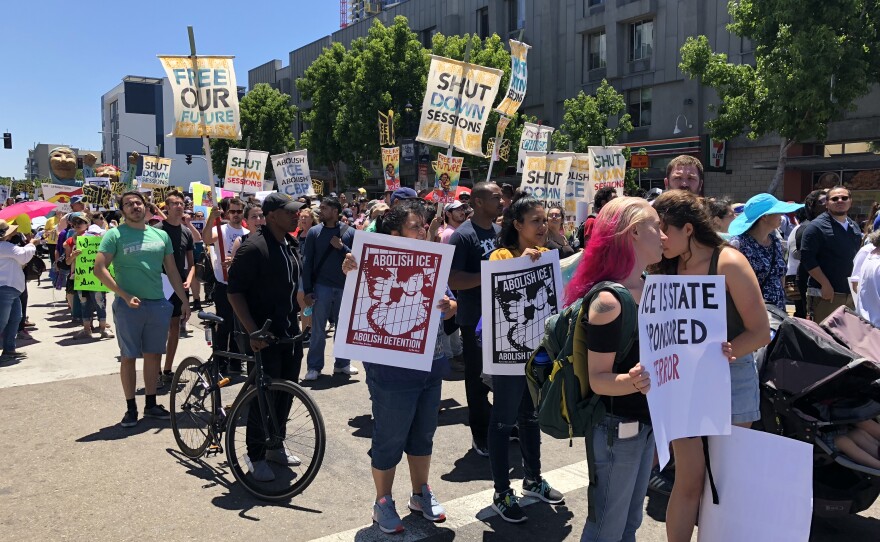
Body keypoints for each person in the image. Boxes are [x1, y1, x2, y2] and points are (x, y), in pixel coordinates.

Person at [649, 190, 770, 542]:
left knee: (724, 484)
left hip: (731, 381)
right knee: (689, 481)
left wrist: (725, 353)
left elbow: (760, 332)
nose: (658, 237)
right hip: (683, 383)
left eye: (663, 229)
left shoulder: (728, 262)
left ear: (688, 229)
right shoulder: (662, 267)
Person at [341, 200, 455, 534]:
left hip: (430, 365)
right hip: (391, 370)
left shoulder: (433, 262)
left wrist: (450, 305)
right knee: (389, 436)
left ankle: (420, 493)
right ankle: (383, 502)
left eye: (423, 225)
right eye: (415, 225)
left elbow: (449, 303)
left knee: (423, 435)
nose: (424, 230)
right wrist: (351, 269)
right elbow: (357, 299)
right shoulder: (368, 261)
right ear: (394, 232)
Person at [563, 197, 665, 541]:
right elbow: (599, 380)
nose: (664, 236)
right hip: (617, 426)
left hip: (646, 423)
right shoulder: (608, 301)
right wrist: (634, 380)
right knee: (607, 525)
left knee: (629, 523)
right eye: (657, 227)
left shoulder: (652, 286)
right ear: (635, 232)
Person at [485, 196, 565, 523]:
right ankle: (501, 491)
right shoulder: (501, 255)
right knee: (504, 422)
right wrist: (520, 264)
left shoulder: (548, 256)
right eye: (536, 220)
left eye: (545, 220)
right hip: (507, 358)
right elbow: (495, 279)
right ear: (517, 225)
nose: (543, 226)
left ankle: (533, 478)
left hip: (537, 357)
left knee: (531, 418)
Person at [226, 193, 306, 482]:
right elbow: (233, 292)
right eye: (291, 212)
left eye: (298, 211)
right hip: (262, 335)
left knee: (285, 393)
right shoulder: (253, 248)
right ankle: (256, 454)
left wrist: (305, 308)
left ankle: (276, 444)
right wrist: (252, 331)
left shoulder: (291, 244)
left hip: (289, 334)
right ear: (272, 215)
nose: (297, 215)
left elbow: (294, 289)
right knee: (263, 398)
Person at [94, 191, 189, 428]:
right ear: (122, 209)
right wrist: (123, 295)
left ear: (145, 206)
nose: (134, 206)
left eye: (138, 202)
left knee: (154, 355)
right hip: (128, 306)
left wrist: (184, 299)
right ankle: (130, 408)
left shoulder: (160, 235)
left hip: (158, 303)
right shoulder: (114, 235)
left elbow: (173, 271)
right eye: (129, 204)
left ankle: (150, 404)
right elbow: (99, 268)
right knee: (128, 357)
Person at [448, 182, 504, 456]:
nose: (502, 201)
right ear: (479, 202)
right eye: (495, 198)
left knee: (503, 377)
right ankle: (480, 434)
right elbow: (453, 278)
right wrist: (489, 275)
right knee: (477, 379)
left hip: (502, 317)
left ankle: (504, 425)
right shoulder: (462, 236)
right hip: (474, 321)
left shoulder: (501, 232)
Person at [301, 196, 358, 380]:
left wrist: (342, 248)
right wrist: (308, 290)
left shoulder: (349, 232)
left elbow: (357, 258)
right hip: (321, 287)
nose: (321, 211)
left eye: (325, 208)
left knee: (343, 328)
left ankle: (343, 364)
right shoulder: (314, 232)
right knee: (318, 329)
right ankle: (314, 367)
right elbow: (307, 262)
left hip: (344, 287)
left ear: (335, 211)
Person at [727, 194, 803, 310]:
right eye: (778, 212)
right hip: (751, 312)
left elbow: (780, 276)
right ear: (765, 217)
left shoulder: (775, 242)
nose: (782, 216)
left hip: (777, 312)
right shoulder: (738, 244)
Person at [801, 185, 862, 322]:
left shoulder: (854, 226)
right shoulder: (815, 227)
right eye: (835, 198)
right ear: (827, 203)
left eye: (844, 198)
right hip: (827, 295)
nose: (840, 201)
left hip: (850, 295)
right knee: (823, 338)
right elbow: (807, 259)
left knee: (846, 338)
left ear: (850, 201)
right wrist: (825, 284)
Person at [153, 191, 196, 385]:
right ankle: (154, 370)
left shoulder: (186, 231)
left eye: (181, 203)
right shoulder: (157, 230)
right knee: (158, 330)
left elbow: (192, 263)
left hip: (178, 286)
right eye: (175, 204)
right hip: (159, 285)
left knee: (175, 327)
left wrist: (189, 278)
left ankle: (168, 370)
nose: (180, 206)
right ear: (167, 208)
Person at [202, 197, 246, 373]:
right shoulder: (220, 230)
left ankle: (236, 361)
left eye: (239, 211)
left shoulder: (246, 231)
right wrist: (210, 219)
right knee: (225, 325)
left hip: (241, 286)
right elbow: (205, 239)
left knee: (239, 325)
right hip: (223, 284)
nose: (236, 215)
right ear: (227, 213)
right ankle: (220, 361)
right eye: (232, 211)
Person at [63, 213, 113, 340]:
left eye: (81, 222)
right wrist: (73, 255)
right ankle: (87, 329)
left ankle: (103, 329)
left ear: (87, 224)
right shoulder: (72, 241)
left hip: (96, 278)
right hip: (81, 278)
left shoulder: (97, 237)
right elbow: (67, 262)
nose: (78, 225)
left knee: (99, 303)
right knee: (84, 303)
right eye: (75, 224)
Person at [0, 220, 38, 361]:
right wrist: (31, 243)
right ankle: (8, 349)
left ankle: (9, 350)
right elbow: (24, 255)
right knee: (3, 322)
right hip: (6, 289)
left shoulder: (6, 247)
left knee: (14, 319)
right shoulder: (5, 247)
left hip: (11, 289)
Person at [790, 190, 827, 318]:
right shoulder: (807, 228)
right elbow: (807, 258)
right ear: (812, 205)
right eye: (823, 201)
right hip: (812, 283)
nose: (828, 203)